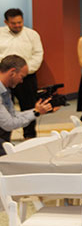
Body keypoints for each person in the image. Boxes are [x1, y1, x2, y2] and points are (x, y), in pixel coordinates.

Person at [0, 8, 44, 139]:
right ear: (6, 22)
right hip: (5, 77)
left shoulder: (32, 34)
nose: (18, 25)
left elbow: (38, 55)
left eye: (20, 22)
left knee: (29, 105)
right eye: (14, 23)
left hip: (27, 76)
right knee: (6, 110)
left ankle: (29, 136)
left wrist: (23, 72)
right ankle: (4, 138)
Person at [0, 55, 55, 150]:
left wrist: (36, 110)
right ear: (12, 72)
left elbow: (12, 115)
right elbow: (8, 124)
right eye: (21, 77)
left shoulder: (5, 90)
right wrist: (36, 112)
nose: (21, 81)